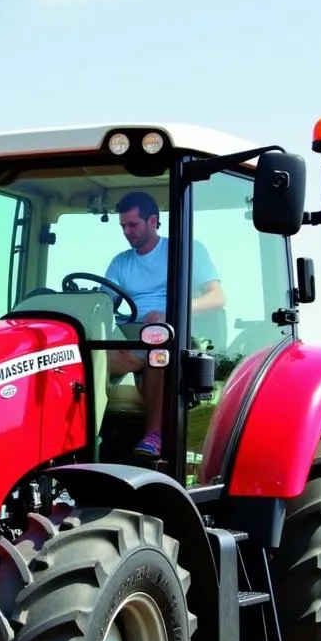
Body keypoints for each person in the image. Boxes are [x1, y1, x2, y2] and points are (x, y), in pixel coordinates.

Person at [102, 190, 225, 458]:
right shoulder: (120, 262)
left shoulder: (185, 250)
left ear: (153, 221)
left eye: (132, 224)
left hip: (177, 335)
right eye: (122, 226)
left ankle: (155, 435)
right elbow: (103, 303)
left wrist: (172, 313)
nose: (126, 231)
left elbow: (216, 298)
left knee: (159, 348)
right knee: (92, 359)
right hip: (133, 336)